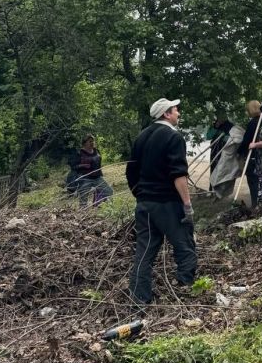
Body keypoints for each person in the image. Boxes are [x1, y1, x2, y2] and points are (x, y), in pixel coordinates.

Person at [126, 98, 197, 305]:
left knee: (144, 252)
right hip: (168, 204)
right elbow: (179, 175)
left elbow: (131, 172)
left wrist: (140, 194)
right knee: (184, 246)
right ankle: (186, 292)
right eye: (176, 110)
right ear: (166, 114)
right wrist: (187, 205)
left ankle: (139, 299)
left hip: (145, 204)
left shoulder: (141, 137)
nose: (179, 114)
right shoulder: (173, 137)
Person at [69, 134, 113, 208]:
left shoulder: (96, 151)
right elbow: (73, 166)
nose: (92, 143)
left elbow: (98, 162)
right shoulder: (79, 153)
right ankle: (82, 216)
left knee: (109, 191)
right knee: (83, 201)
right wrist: (83, 165)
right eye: (90, 141)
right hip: (85, 178)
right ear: (84, 143)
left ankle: (99, 204)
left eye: (93, 141)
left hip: (97, 177)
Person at [208, 117, 246, 198]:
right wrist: (215, 127)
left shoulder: (231, 127)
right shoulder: (214, 126)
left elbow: (233, 140)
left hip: (224, 153)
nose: (219, 119)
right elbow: (208, 136)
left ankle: (221, 191)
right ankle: (211, 190)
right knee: (213, 169)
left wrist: (225, 139)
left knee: (222, 171)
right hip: (215, 151)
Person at [240, 100, 262, 208]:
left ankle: (255, 204)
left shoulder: (253, 123)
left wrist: (239, 151)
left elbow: (246, 141)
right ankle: (261, 202)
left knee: (253, 180)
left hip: (253, 155)